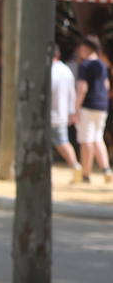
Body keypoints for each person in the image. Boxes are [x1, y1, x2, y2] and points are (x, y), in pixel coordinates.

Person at [73, 35, 112, 184]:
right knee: (98, 138)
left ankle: (86, 173)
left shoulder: (85, 65)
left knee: (86, 140)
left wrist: (75, 109)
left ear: (86, 48)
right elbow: (106, 85)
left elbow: (82, 87)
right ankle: (106, 169)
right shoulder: (103, 65)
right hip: (102, 106)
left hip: (88, 105)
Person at [50, 44, 81, 172]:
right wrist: (72, 111)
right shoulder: (66, 70)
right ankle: (75, 166)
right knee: (63, 142)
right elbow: (72, 93)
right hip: (62, 113)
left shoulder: (49, 70)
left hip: (50, 114)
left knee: (59, 142)